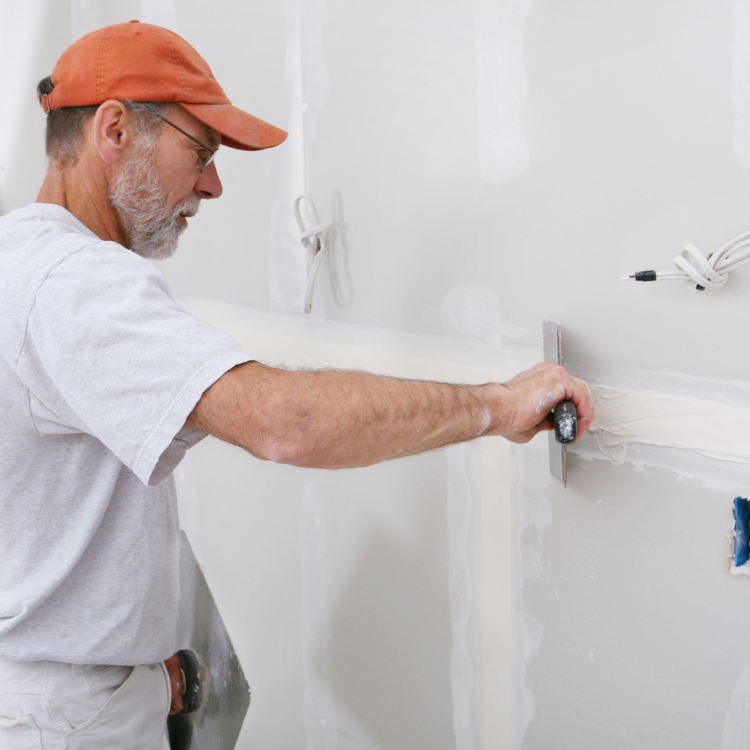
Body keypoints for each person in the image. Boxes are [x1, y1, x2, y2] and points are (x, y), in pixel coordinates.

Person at [0, 20, 593, 750]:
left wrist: (150, 678)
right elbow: (290, 423)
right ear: (115, 129)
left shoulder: (17, 260)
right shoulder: (79, 286)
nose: (212, 186)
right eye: (202, 152)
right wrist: (494, 405)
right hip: (62, 721)